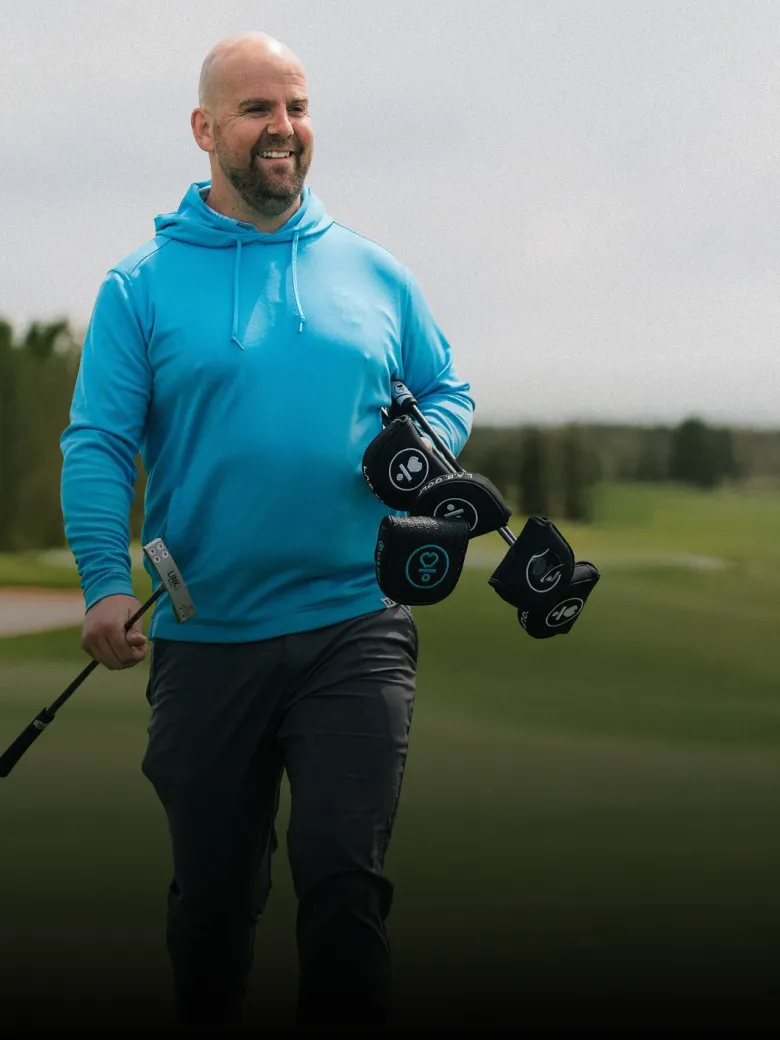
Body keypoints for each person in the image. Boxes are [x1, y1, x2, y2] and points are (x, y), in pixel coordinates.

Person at [60, 31, 474, 1028]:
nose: (282, 129)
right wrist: (101, 583)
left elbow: (447, 391)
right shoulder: (140, 287)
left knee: (344, 888)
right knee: (213, 911)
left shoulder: (377, 275)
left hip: (355, 621)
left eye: (294, 106)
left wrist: (422, 442)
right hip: (207, 639)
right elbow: (98, 445)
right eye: (256, 110)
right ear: (206, 130)